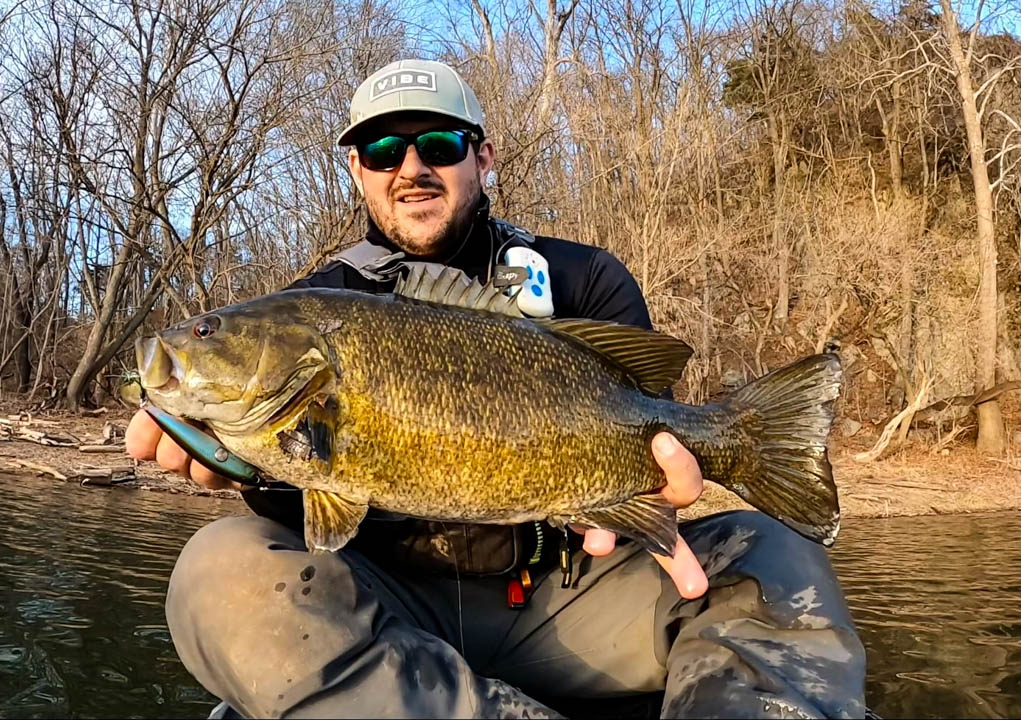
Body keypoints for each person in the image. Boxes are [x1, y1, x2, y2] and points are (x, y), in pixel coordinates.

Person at [126, 59, 865, 719]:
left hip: (571, 597)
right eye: (383, 150)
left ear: (483, 157)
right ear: (357, 170)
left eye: (438, 146)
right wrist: (247, 469)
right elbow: (311, 514)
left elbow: (642, 411)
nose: (409, 167)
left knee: (772, 553)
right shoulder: (314, 301)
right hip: (388, 607)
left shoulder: (583, 278)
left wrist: (656, 487)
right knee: (217, 571)